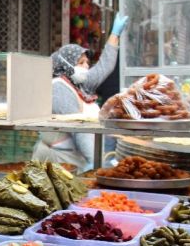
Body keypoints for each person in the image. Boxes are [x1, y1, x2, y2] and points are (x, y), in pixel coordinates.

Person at [32, 13, 129, 173]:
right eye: (81, 62)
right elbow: (78, 128)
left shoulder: (81, 84)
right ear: (67, 65)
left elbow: (105, 66)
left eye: (87, 63)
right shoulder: (59, 88)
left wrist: (114, 34)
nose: (86, 66)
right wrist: (96, 163)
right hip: (59, 162)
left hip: (78, 159)